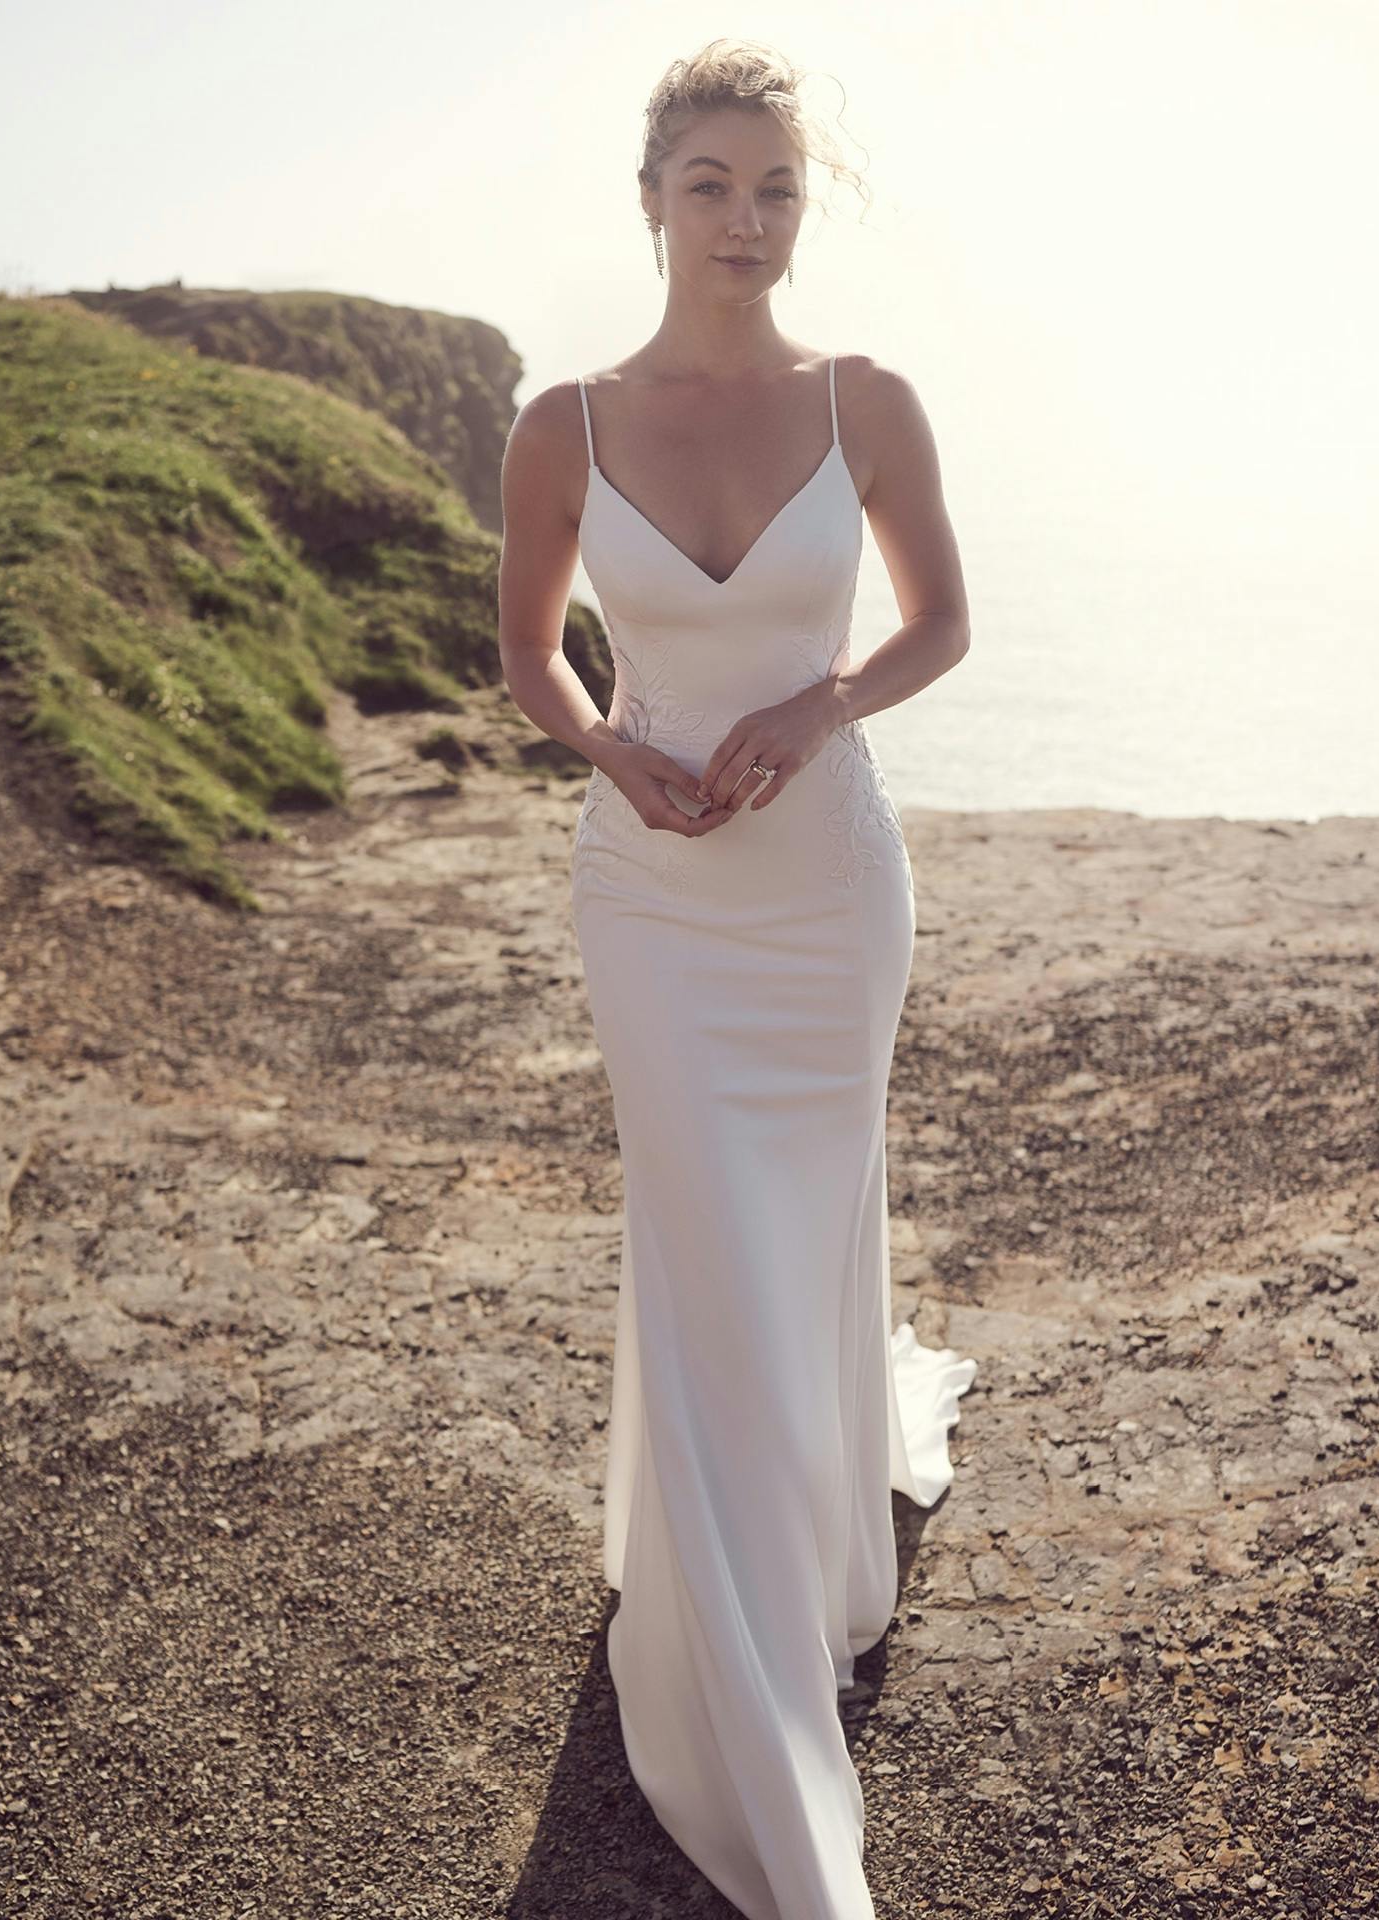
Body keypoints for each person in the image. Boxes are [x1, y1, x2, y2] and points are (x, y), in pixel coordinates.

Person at [497, 36, 978, 1920]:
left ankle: (805, 1554)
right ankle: (740, 1664)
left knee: (806, 1221)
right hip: (654, 896)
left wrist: (819, 697)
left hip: (828, 891)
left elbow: (939, 622)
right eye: (712, 184)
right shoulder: (566, 422)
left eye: (777, 188)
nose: (749, 220)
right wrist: (620, 751)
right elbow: (534, 657)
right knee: (703, 1234)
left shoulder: (871, 402)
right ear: (651, 200)